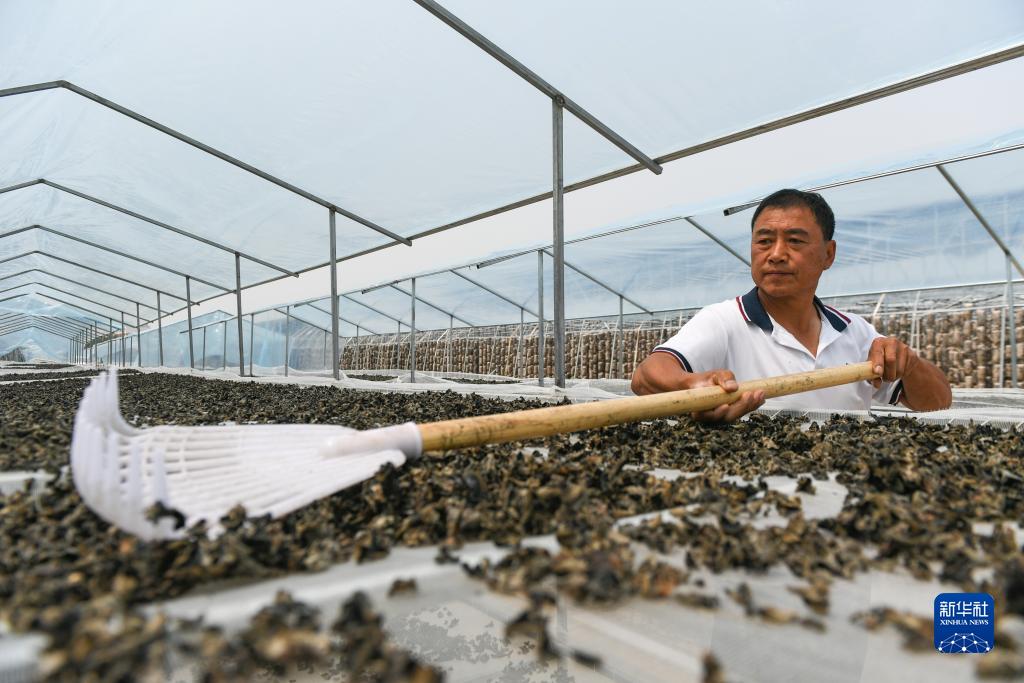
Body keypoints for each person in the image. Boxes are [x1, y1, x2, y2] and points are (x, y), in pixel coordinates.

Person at [630, 188, 952, 422]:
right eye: (764, 241)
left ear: (828, 254)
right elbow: (646, 377)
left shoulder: (855, 332)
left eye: (795, 241)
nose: (776, 254)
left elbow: (938, 402)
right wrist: (692, 386)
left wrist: (909, 364)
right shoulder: (725, 321)